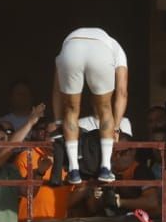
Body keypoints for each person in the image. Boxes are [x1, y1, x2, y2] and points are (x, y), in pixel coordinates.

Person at [52, 28, 129, 186]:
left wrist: (59, 122)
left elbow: (56, 90)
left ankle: (73, 170)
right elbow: (122, 92)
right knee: (105, 109)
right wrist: (116, 128)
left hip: (70, 50)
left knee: (71, 110)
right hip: (100, 53)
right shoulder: (116, 47)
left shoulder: (67, 43)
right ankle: (106, 168)